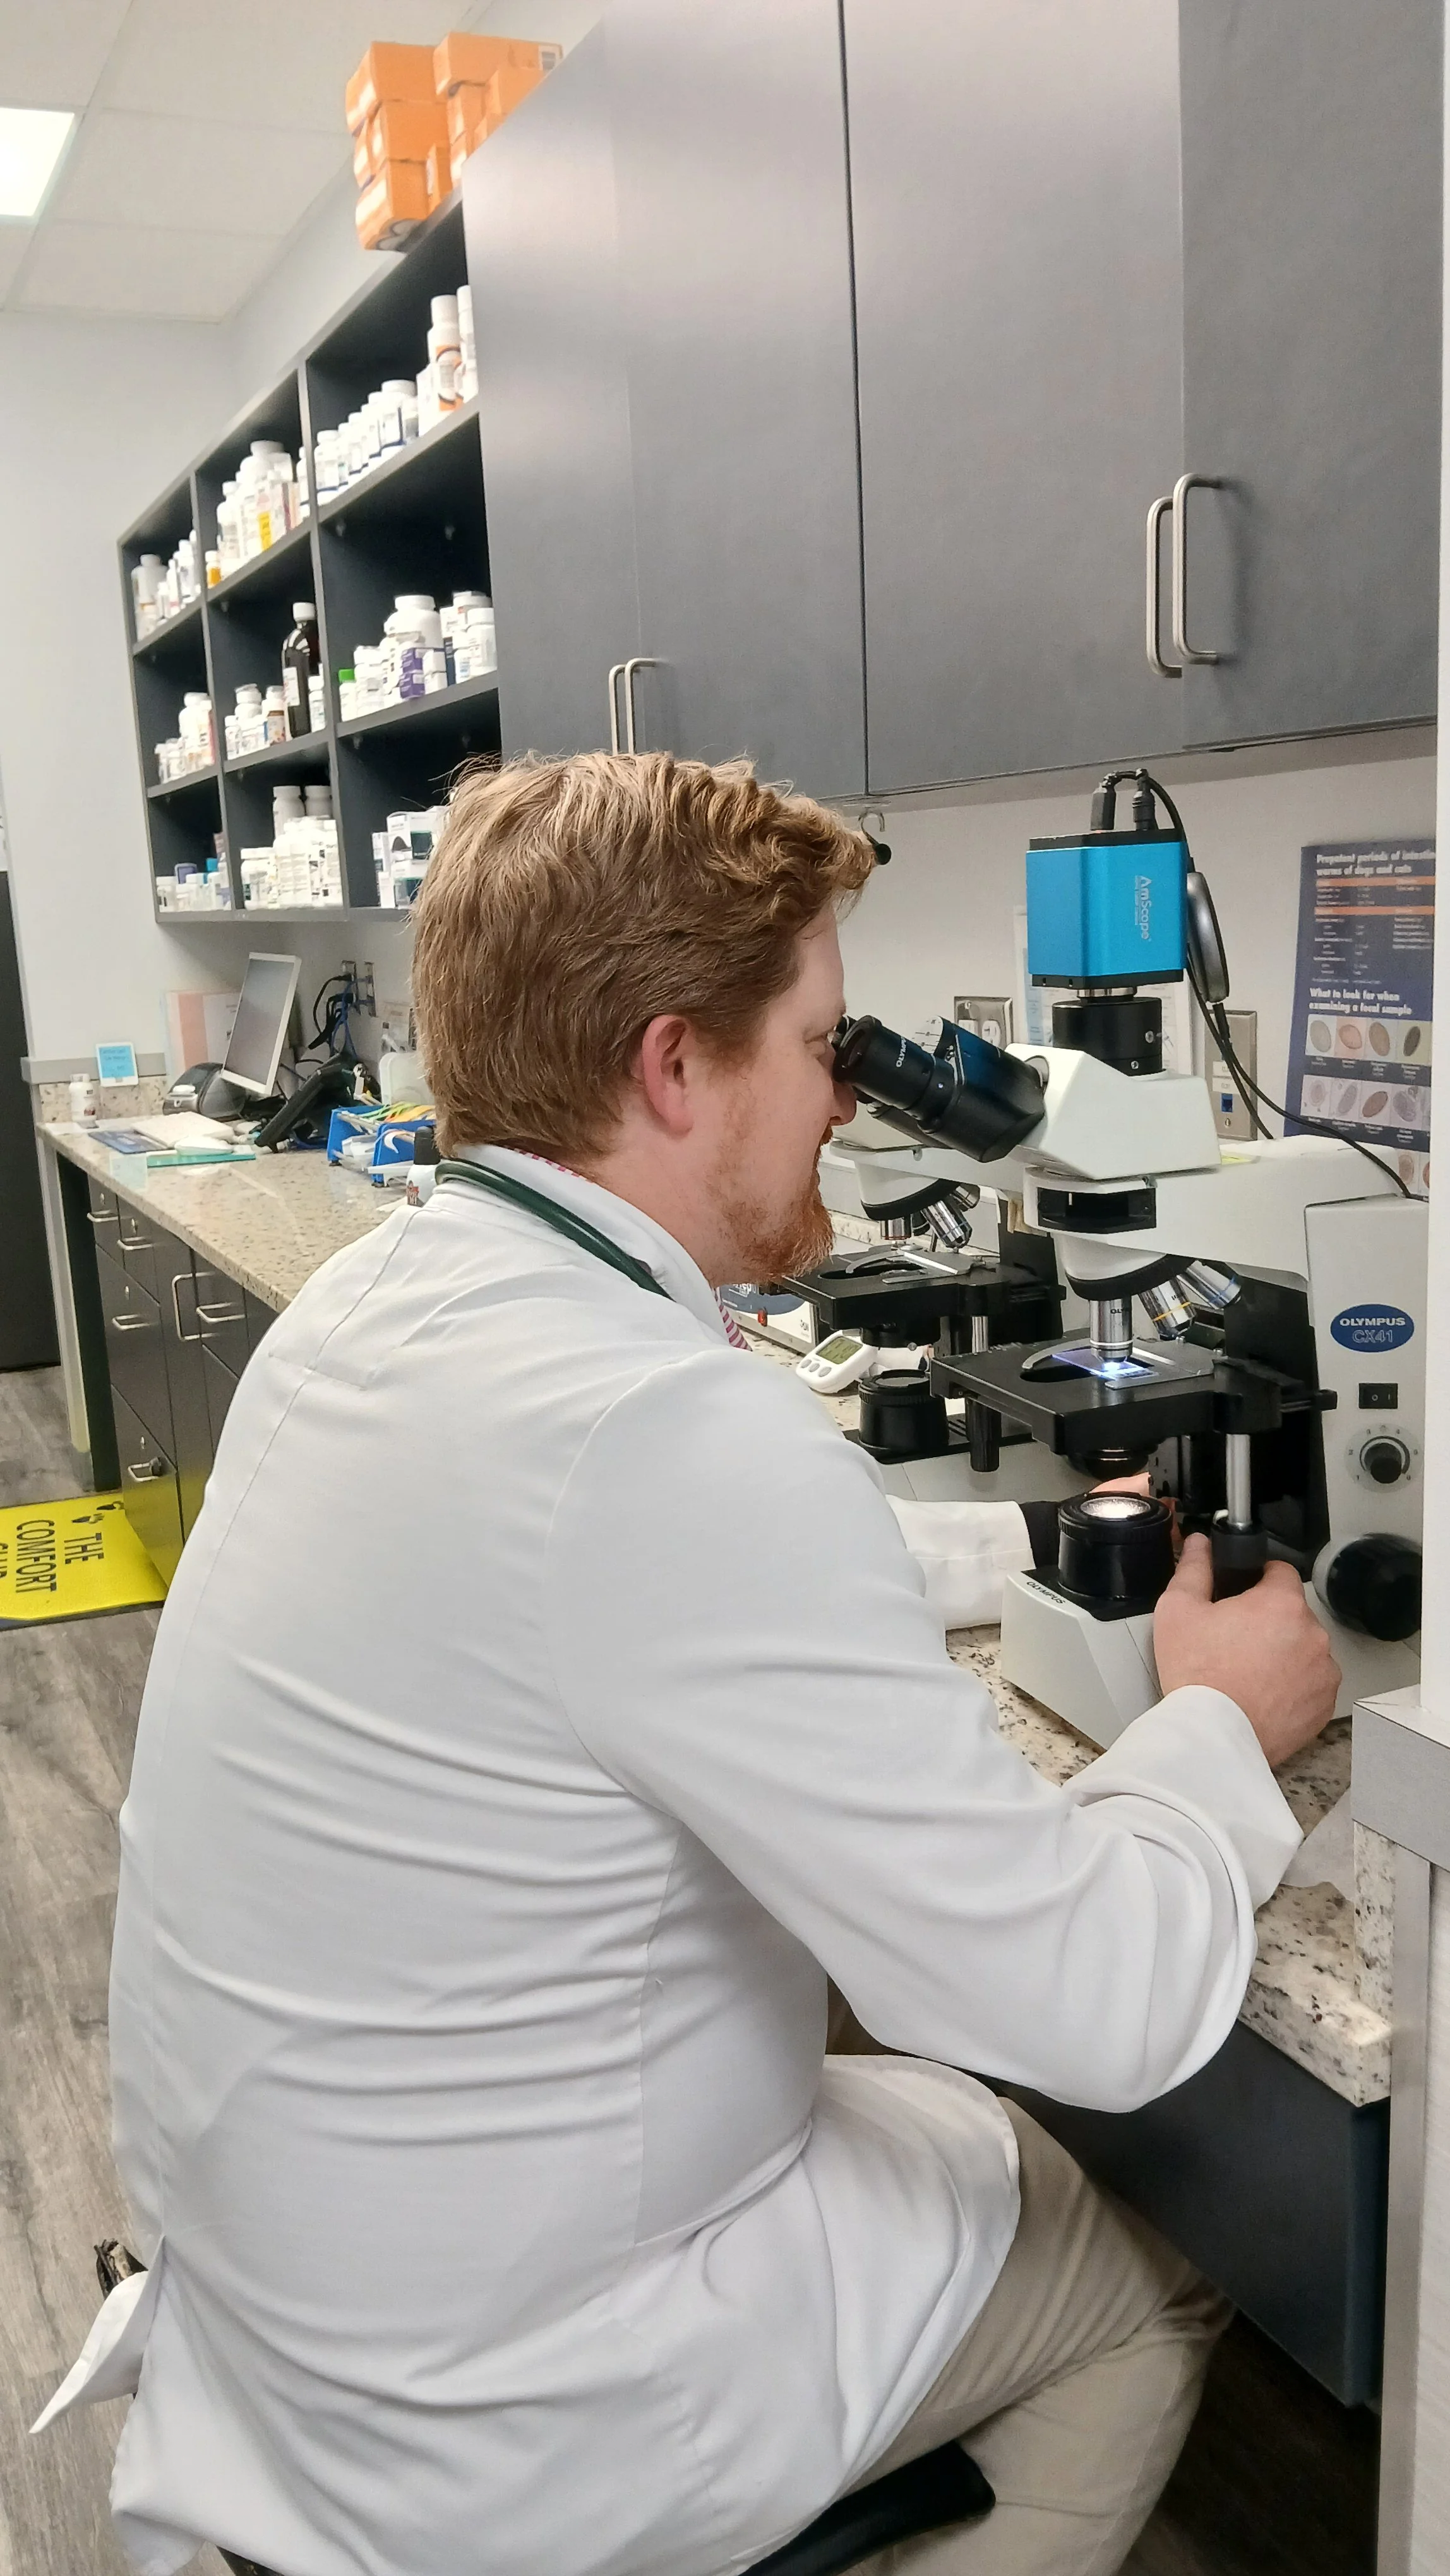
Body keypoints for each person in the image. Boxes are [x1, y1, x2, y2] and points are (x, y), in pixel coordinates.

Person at [45, 754, 1338, 2576]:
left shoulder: (381, 1304)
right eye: (821, 1046)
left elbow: (648, 1580)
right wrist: (1216, 1723)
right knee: (1146, 2268)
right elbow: (1090, 2004)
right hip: (507, 2420)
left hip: (308, 2305)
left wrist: (1027, 1547)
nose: (845, 1097)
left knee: (891, 2073)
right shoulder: (669, 1440)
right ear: (674, 1065)